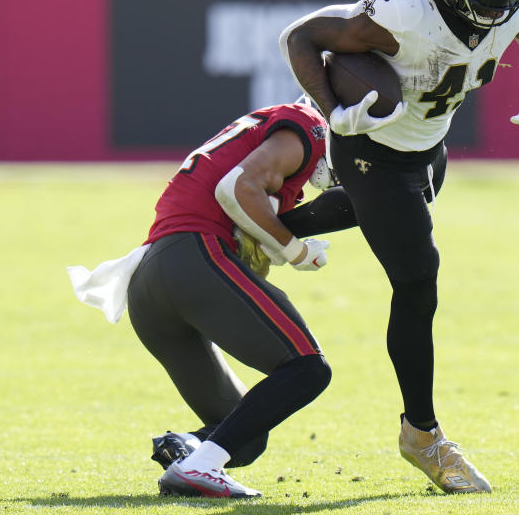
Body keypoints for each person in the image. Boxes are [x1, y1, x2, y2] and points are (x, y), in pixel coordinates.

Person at [277, 0, 519, 494]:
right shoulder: (402, 5)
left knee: (380, 215)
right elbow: (301, 36)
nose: (497, 5)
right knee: (417, 277)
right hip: (371, 147)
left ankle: (259, 230)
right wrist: (335, 116)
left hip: (426, 146)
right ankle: (423, 435)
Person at [68, 102, 335, 498]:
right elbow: (239, 188)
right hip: (192, 258)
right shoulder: (309, 127)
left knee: (241, 435)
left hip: (151, 279)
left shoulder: (270, 132)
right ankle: (201, 467)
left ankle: (188, 452)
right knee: (308, 368)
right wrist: (293, 250)